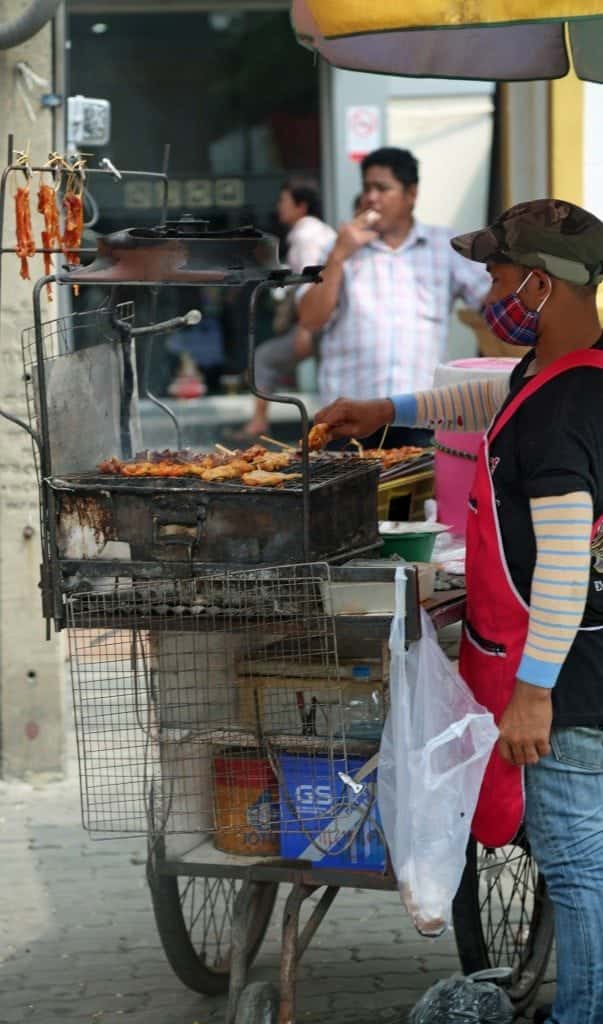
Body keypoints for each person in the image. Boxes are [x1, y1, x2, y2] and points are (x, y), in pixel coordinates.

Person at [314, 199, 603, 1024]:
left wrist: (534, 690)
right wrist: (387, 411)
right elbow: (487, 410)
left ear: (541, 285)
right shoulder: (558, 376)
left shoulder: (560, 414)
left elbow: (560, 568)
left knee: (578, 868)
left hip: (568, 677)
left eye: (500, 274)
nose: (489, 293)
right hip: (582, 663)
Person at [298, 147, 489, 448]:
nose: (371, 197)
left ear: (410, 194)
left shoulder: (443, 246)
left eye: (382, 188)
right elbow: (310, 318)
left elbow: (491, 302)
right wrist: (338, 255)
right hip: (346, 419)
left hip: (418, 417)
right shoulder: (341, 247)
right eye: (367, 188)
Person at [239, 178, 335, 438]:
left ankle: (259, 423)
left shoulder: (307, 235)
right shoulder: (320, 232)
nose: (279, 206)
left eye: (284, 200)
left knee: (263, 358)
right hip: (328, 320)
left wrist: (305, 327)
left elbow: (310, 281)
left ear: (301, 205)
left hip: (317, 320)